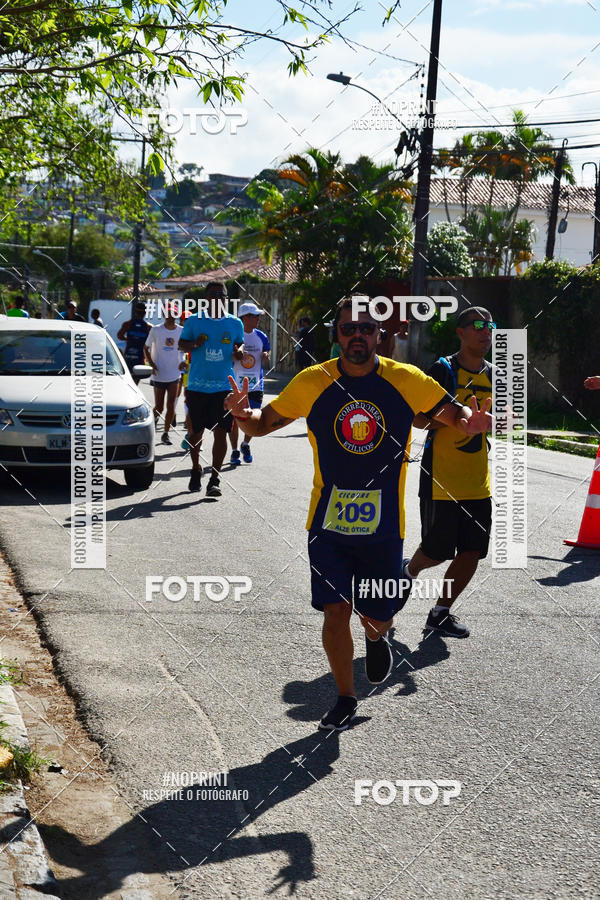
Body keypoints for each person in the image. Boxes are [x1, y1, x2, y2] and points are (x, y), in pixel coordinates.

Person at [225, 297, 492, 732]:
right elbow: (261, 424)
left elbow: (452, 413)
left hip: (384, 528)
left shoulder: (405, 379)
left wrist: (468, 422)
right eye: (348, 329)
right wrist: (242, 416)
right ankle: (345, 698)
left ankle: (377, 634)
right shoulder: (314, 381)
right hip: (327, 524)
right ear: (337, 335)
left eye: (366, 328)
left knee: (376, 614)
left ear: (378, 335)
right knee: (335, 611)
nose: (357, 336)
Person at [404, 306, 496, 639]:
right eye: (478, 326)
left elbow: (501, 421)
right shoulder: (443, 369)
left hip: (477, 481)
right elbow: (417, 418)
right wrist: (453, 419)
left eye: (490, 327)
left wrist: (493, 423)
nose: (486, 332)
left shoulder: (495, 374)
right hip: (441, 479)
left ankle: (440, 613)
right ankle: (408, 570)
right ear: (460, 332)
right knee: (437, 550)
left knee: (472, 550)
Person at [179, 282, 244, 497]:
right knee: (195, 433)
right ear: (206, 297)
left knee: (221, 433)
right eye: (214, 294)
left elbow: (239, 345)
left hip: (223, 387)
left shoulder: (235, 323)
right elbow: (182, 344)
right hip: (198, 385)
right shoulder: (194, 320)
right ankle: (196, 468)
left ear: (226, 298)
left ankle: (215, 478)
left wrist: (240, 352)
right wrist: (195, 344)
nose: (218, 297)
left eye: (222, 295)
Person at [229, 302, 271, 465]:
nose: (258, 319)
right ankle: (234, 451)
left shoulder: (261, 336)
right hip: (236, 385)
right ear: (245, 317)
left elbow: (267, 350)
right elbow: (228, 357)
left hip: (255, 385)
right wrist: (235, 355)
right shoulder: (235, 336)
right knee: (233, 419)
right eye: (255, 316)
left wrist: (266, 355)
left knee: (252, 418)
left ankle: (245, 444)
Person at [144, 303, 185, 445]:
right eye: (168, 315)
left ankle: (166, 433)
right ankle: (151, 422)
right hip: (159, 373)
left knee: (171, 405)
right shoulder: (156, 330)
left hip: (175, 373)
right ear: (164, 316)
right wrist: (151, 364)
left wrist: (183, 361)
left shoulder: (181, 330)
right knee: (159, 407)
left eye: (173, 314)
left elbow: (183, 349)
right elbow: (146, 347)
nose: (170, 317)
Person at [117, 301, 152, 384]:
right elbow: (150, 343)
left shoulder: (127, 324)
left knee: (127, 382)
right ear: (145, 313)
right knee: (135, 383)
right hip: (139, 358)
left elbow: (119, 335)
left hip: (128, 357)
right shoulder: (148, 327)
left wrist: (128, 339)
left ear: (135, 312)